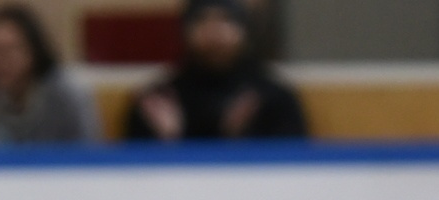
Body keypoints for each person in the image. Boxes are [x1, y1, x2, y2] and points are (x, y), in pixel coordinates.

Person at [123, 0, 305, 144]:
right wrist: (168, 143)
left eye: (225, 20)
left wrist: (243, 141)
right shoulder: (158, 102)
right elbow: (126, 176)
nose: (214, 31)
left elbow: (293, 170)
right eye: (202, 20)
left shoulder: (272, 99)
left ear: (245, 30)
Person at [0, 2, 94, 147]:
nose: (1, 60)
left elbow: (86, 157)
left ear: (33, 51)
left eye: (10, 49)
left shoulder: (66, 98)